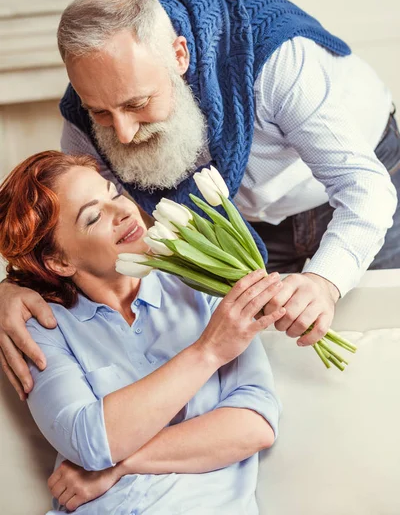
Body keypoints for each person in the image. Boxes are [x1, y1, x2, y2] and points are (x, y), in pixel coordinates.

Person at [1, 0, 399, 400]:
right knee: (270, 355)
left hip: (362, 184)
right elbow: (68, 241)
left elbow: (363, 187)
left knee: (381, 331)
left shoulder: (276, 57)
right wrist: (12, 287)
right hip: (243, 225)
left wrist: (323, 281)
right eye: (101, 111)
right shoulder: (86, 119)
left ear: (179, 54)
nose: (122, 131)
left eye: (136, 103)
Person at [0, 150, 282, 514]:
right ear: (60, 261)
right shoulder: (43, 327)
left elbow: (255, 425)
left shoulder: (204, 287)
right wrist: (208, 351)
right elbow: (88, 439)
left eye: (113, 193)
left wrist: (119, 465)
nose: (122, 212)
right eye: (94, 216)